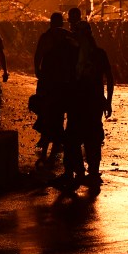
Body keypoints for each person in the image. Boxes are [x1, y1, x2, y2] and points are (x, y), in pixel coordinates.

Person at [62, 21, 113, 189]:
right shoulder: (97, 54)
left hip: (82, 102)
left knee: (77, 137)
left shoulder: (74, 54)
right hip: (90, 102)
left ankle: (81, 171)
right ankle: (90, 171)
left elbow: (68, 80)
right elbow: (110, 78)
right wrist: (108, 100)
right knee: (91, 137)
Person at [32, 12, 78, 158]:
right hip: (60, 79)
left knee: (46, 109)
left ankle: (49, 137)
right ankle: (56, 139)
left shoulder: (48, 36)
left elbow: (38, 55)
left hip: (50, 79)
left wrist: (37, 70)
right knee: (57, 111)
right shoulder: (67, 36)